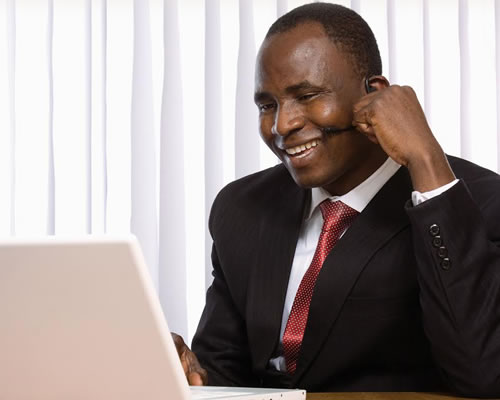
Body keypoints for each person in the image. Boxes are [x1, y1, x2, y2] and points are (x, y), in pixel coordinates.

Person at [173, 2, 500, 397]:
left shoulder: (479, 203)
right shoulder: (242, 207)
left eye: (307, 95)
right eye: (267, 105)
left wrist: (425, 159)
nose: (281, 125)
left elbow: (483, 375)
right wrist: (185, 372)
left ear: (374, 95)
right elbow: (224, 373)